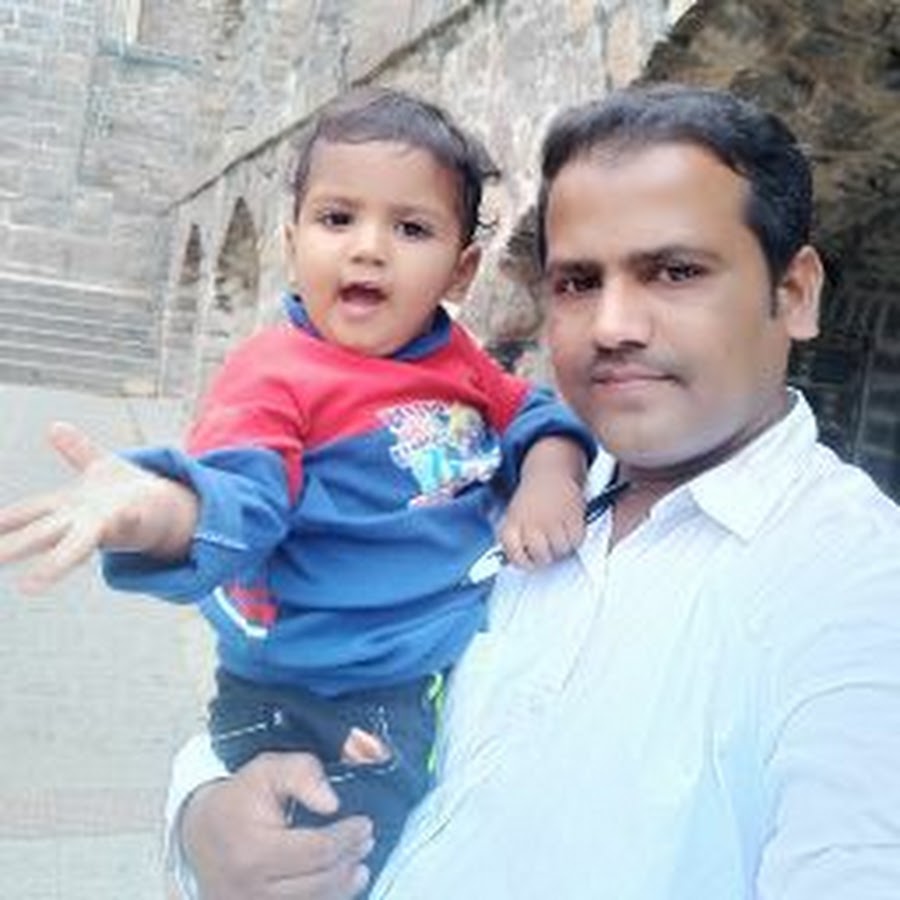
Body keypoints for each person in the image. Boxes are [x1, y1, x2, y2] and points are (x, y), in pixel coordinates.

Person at [164, 82, 900, 899]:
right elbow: (305, 671)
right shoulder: (480, 472)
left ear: (794, 293)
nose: (614, 325)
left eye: (676, 272)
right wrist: (203, 817)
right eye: (578, 282)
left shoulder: (856, 585)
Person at [0, 87, 596, 882]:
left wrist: (551, 474)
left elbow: (536, 413)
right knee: (342, 860)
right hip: (313, 697)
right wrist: (154, 510)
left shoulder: (456, 360)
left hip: (418, 675)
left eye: (411, 228)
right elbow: (240, 500)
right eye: (337, 218)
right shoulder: (275, 373)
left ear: (462, 269)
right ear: (292, 242)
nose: (368, 249)